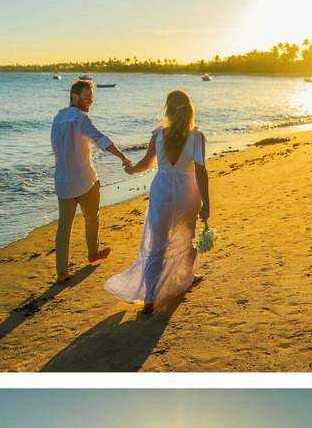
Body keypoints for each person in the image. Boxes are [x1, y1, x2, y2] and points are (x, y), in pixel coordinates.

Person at [105, 89, 211, 314]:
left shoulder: (159, 134)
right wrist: (206, 203)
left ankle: (150, 299)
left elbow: (145, 162)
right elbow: (200, 171)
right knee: (187, 236)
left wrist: (131, 170)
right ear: (190, 109)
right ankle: (186, 278)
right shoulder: (197, 135)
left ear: (168, 109)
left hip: (162, 188)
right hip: (187, 190)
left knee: (157, 244)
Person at [51, 80, 132, 284]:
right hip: (85, 180)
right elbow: (99, 138)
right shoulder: (80, 118)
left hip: (63, 181)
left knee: (64, 226)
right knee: (91, 218)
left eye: (91, 98)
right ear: (74, 96)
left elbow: (56, 148)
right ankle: (93, 252)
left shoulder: (57, 119)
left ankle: (62, 271)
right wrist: (122, 156)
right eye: (87, 97)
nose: (90, 101)